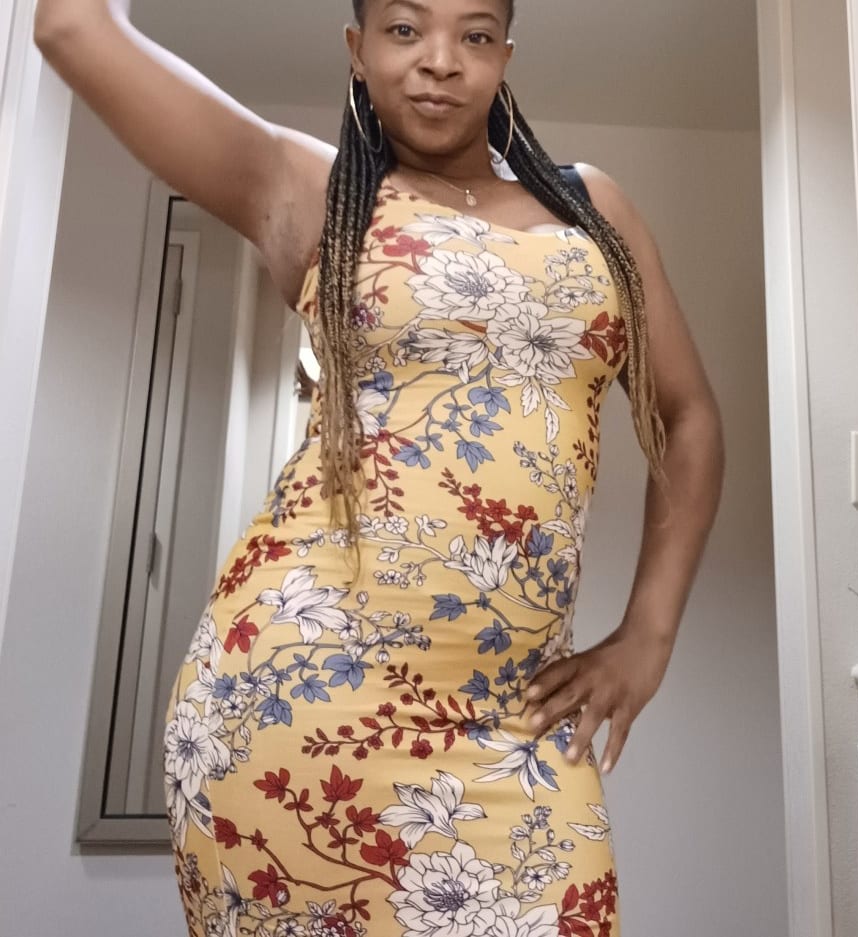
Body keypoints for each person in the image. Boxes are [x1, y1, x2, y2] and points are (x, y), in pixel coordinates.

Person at [34, 0, 725, 934]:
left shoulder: (593, 209)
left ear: (505, 55)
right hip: (298, 698)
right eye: (405, 29)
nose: (441, 60)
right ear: (357, 51)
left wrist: (650, 632)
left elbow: (688, 418)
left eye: (474, 35)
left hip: (514, 722)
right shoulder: (306, 187)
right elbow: (71, 28)